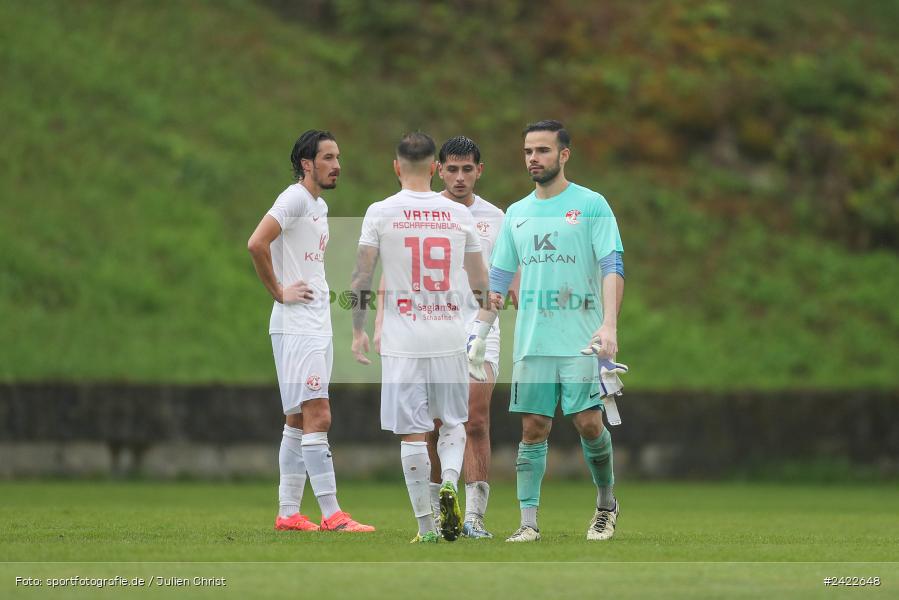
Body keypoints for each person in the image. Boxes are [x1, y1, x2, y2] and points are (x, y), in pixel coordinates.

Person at [467, 120, 625, 542]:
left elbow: (613, 266)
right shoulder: (516, 214)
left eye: (542, 150)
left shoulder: (591, 205)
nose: (533, 158)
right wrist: (478, 330)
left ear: (564, 154)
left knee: (589, 423)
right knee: (533, 427)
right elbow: (497, 281)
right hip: (533, 341)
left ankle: (606, 505)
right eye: (527, 152)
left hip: (582, 339)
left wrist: (609, 325)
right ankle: (528, 523)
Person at [350, 132, 492, 543]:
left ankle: (426, 527)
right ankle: (450, 480)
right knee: (452, 422)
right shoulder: (459, 215)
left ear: (396, 167)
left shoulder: (380, 212)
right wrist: (480, 321)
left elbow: (362, 276)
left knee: (413, 430)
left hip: (403, 338)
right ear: (435, 169)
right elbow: (481, 283)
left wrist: (359, 330)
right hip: (450, 333)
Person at [247, 129, 374, 533]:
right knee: (319, 414)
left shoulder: (316, 205)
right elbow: (256, 243)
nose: (338, 165)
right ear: (307, 163)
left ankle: (287, 514)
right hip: (298, 325)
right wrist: (279, 291)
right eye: (329, 158)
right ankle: (333, 514)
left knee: (297, 419)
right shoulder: (295, 198)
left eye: (338, 157)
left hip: (310, 324)